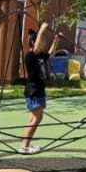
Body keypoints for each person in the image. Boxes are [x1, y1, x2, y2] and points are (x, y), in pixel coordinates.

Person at [21, 22, 58, 155]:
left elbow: (51, 54)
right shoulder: (31, 56)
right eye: (42, 41)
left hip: (39, 90)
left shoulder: (40, 56)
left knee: (33, 119)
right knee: (37, 118)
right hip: (33, 90)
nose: (43, 44)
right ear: (33, 43)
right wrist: (41, 30)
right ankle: (24, 146)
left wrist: (56, 40)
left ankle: (25, 145)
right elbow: (36, 48)